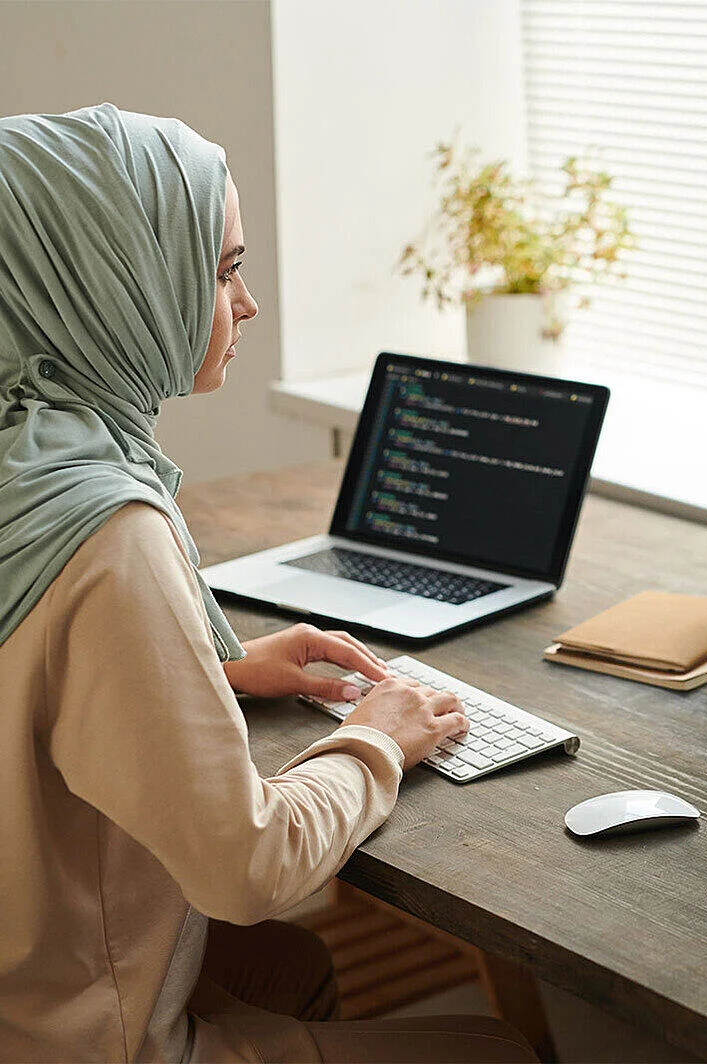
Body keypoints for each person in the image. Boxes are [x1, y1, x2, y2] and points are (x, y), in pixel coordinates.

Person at [0, 104, 536, 1063]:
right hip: (73, 1041)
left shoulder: (24, 467)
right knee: (500, 1049)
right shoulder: (105, 531)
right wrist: (377, 741)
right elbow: (248, 870)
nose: (245, 305)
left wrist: (217, 666)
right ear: (112, 278)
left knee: (289, 970)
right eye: (223, 268)